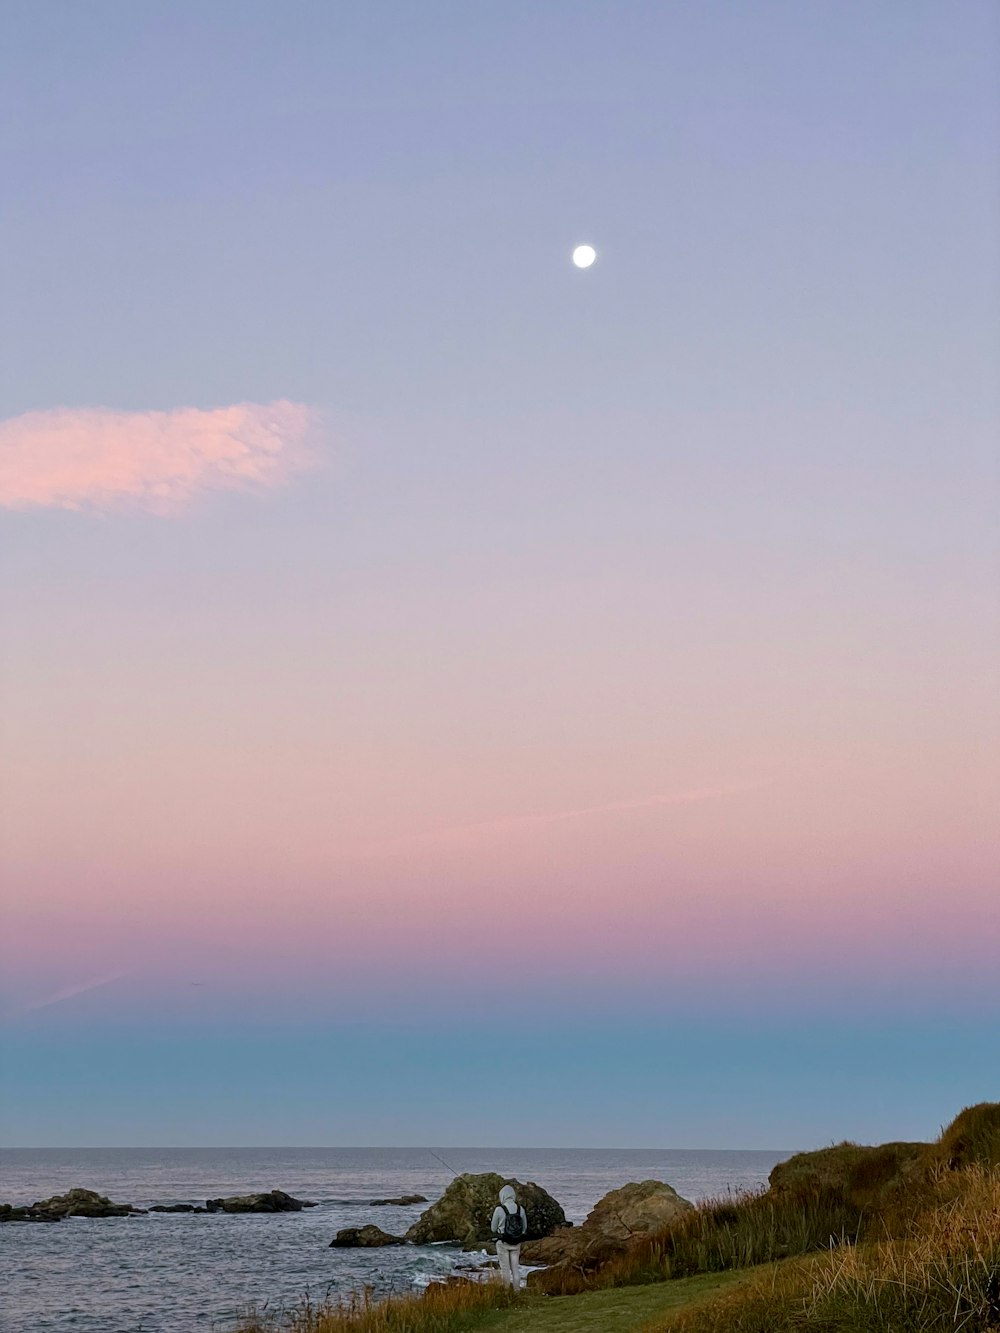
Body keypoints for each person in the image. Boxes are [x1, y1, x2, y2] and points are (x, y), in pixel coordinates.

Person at [491, 1184, 527, 1289]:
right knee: (515, 1269)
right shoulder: (521, 1209)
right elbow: (524, 1229)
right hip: (516, 1243)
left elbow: (493, 1229)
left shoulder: (499, 1209)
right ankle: (517, 1292)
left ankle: (506, 1293)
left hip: (503, 1243)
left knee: (505, 1269)